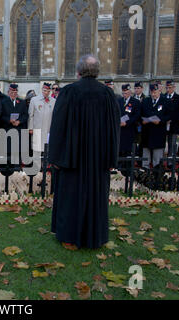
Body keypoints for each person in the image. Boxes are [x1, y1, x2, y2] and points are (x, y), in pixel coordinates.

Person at [49, 55, 120, 249]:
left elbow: (58, 126)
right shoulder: (107, 94)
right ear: (97, 71)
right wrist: (112, 157)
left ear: (78, 71)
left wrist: (55, 156)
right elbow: (115, 129)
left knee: (71, 196)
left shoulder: (69, 92)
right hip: (98, 158)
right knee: (95, 196)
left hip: (72, 156)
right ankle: (94, 238)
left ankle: (70, 238)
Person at [140, 84, 172, 169]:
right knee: (145, 157)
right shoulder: (146, 101)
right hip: (147, 132)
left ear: (159, 91)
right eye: (152, 92)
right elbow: (141, 113)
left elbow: (169, 115)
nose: (153, 94)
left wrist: (160, 121)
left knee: (157, 158)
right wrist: (143, 120)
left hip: (158, 132)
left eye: (155, 92)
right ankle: (145, 171)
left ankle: (157, 172)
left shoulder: (165, 101)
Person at [0, 84, 28, 164]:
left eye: (15, 91)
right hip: (8, 129)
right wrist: (9, 120)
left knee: (18, 151)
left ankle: (18, 168)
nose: (14, 93)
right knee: (8, 151)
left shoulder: (22, 102)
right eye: (12, 91)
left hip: (18, 129)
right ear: (8, 92)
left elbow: (25, 115)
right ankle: (8, 170)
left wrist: (19, 121)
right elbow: (1, 115)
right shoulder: (3, 102)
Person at [28, 83, 55, 153]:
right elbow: (31, 115)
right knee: (36, 149)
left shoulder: (53, 101)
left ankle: (45, 163)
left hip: (48, 129)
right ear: (42, 90)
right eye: (45, 90)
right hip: (37, 128)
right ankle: (36, 164)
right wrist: (30, 128)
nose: (46, 93)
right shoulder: (34, 100)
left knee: (47, 149)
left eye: (48, 91)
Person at [164, 80, 179, 156]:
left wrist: (171, 119)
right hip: (163, 124)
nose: (168, 89)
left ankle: (170, 161)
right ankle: (160, 161)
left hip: (174, 124)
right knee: (161, 143)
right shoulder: (162, 97)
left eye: (170, 87)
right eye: (166, 88)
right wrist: (165, 120)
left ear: (174, 87)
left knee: (172, 143)